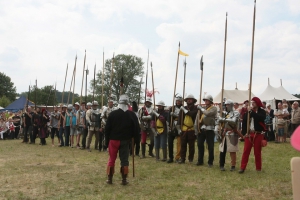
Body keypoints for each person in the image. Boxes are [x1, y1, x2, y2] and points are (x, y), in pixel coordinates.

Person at [105, 94, 140, 185]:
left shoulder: (112, 114)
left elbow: (107, 129)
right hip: (125, 140)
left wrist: (106, 141)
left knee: (112, 159)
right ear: (127, 103)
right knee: (124, 160)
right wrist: (135, 139)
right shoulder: (132, 115)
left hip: (113, 140)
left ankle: (110, 179)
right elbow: (136, 128)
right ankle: (124, 180)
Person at [239, 97, 266, 173]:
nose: (252, 103)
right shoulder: (248, 112)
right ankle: (242, 167)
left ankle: (258, 168)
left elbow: (260, 118)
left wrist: (252, 112)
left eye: (254, 102)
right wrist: (244, 133)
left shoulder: (262, 112)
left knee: (257, 152)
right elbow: (244, 122)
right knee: (246, 151)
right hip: (249, 133)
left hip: (258, 134)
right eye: (252, 102)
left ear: (257, 103)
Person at [218, 99, 243, 171]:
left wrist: (223, 119)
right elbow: (218, 121)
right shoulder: (224, 113)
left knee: (232, 151)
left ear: (231, 105)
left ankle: (233, 165)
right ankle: (221, 165)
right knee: (222, 150)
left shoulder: (236, 112)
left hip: (232, 133)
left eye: (228, 105)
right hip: (224, 132)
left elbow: (233, 121)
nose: (226, 106)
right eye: (225, 105)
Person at [195, 94, 218, 167]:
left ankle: (210, 162)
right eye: (205, 100)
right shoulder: (203, 108)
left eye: (207, 100)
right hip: (202, 128)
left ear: (210, 101)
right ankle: (200, 160)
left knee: (210, 146)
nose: (205, 101)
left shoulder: (214, 108)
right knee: (200, 144)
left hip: (210, 129)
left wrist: (201, 109)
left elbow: (208, 113)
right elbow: (199, 116)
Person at [177, 94, 198, 164]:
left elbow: (192, 114)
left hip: (192, 129)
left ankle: (191, 158)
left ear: (193, 100)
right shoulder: (183, 108)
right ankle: (182, 158)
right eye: (188, 99)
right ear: (186, 101)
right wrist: (179, 129)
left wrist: (184, 110)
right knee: (183, 145)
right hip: (184, 129)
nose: (189, 100)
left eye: (190, 99)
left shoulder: (195, 108)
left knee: (191, 146)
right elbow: (179, 119)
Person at [138, 93, 155, 158]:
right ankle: (143, 154)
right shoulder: (141, 109)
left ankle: (150, 152)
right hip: (144, 126)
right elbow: (139, 118)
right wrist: (141, 126)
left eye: (149, 102)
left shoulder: (153, 109)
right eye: (147, 102)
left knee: (152, 140)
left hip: (151, 126)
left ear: (150, 103)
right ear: (145, 102)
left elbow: (154, 118)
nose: (148, 103)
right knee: (143, 140)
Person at [167, 95, 183, 163]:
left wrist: (175, 115)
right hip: (172, 126)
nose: (178, 102)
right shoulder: (172, 108)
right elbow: (168, 117)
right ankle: (171, 157)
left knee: (179, 143)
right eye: (177, 101)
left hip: (180, 126)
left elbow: (182, 117)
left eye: (179, 101)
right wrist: (169, 126)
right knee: (170, 143)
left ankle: (178, 157)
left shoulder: (183, 108)